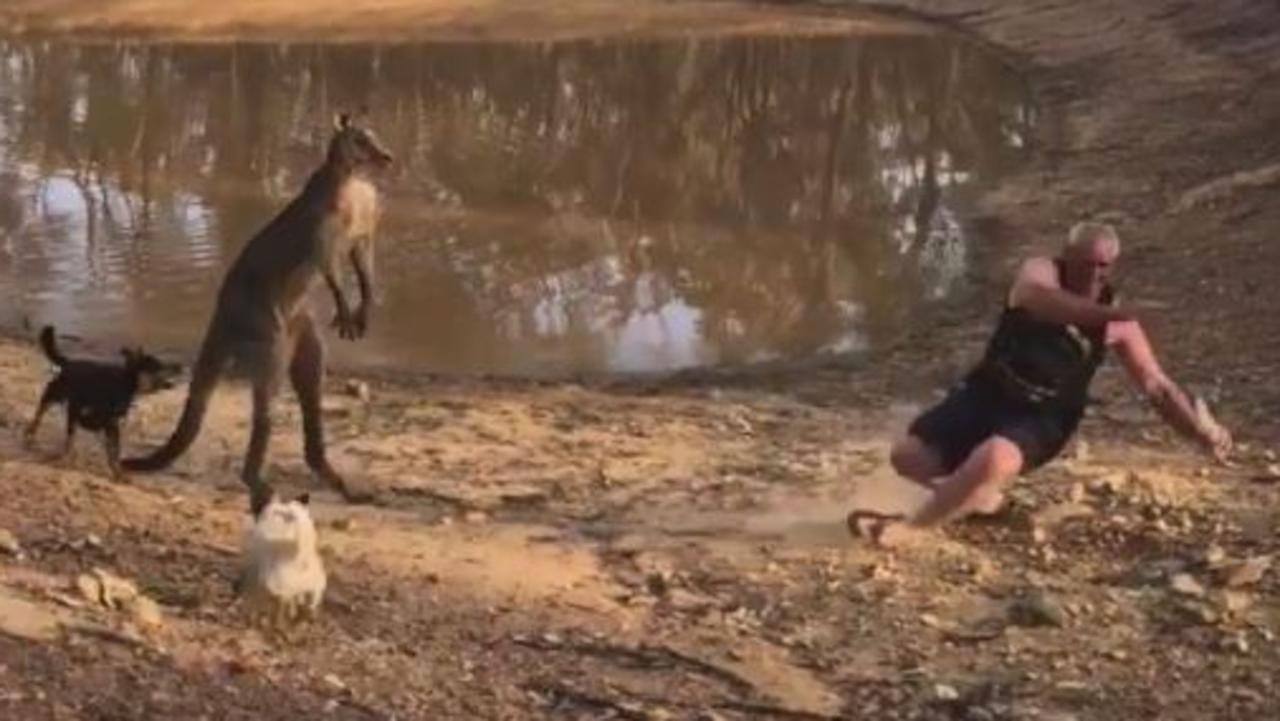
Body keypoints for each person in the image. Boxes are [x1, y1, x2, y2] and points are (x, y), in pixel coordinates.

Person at [849, 221, 1232, 545]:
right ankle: (979, 501)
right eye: (1083, 264)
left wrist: (1200, 433)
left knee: (993, 458)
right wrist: (1118, 313)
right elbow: (1039, 301)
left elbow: (1156, 385)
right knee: (907, 457)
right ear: (1066, 257)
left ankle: (913, 529)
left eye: (1102, 266)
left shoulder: (1118, 323)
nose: (1092, 274)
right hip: (989, 390)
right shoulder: (1040, 274)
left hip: (1043, 416)